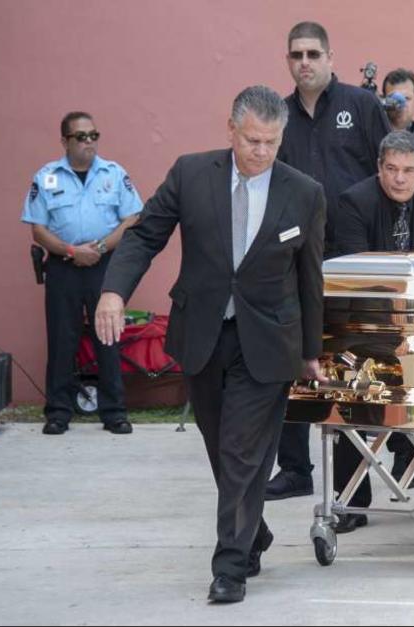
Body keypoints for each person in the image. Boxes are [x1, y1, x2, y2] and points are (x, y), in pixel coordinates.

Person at [95, 86, 326, 603]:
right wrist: (114, 291)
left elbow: (310, 277)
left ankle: (230, 568)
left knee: (242, 452)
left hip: (268, 343)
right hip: (202, 334)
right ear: (231, 129)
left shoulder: (304, 192)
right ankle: (253, 531)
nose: (261, 152)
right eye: (251, 140)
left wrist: (311, 350)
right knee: (222, 449)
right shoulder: (191, 174)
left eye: (271, 142)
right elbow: (144, 236)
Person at [267, 20, 392, 502]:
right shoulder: (277, 114)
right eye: (296, 55)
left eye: (313, 54)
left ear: (330, 57)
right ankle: (295, 469)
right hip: (295, 256)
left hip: (354, 256)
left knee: (351, 367)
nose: (305, 63)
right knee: (291, 358)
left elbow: (386, 172)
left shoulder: (361, 106)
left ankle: (353, 486)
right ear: (288, 60)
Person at [331, 130, 414, 532]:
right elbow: (358, 275)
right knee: (352, 390)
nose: (399, 178)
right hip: (362, 322)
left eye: (408, 170)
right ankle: (352, 498)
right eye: (391, 169)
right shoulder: (353, 202)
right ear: (379, 168)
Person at [21, 111, 142, 436]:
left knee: (108, 336)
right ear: (65, 141)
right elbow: (38, 229)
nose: (89, 142)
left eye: (93, 135)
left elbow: (132, 219)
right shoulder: (47, 177)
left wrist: (99, 248)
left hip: (105, 266)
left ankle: (114, 412)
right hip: (64, 267)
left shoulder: (114, 173)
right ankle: (58, 412)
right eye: (81, 136)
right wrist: (73, 251)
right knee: (62, 339)